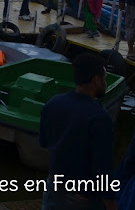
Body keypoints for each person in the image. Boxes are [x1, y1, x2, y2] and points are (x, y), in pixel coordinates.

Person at [39, 53, 116, 210]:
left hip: (53, 187)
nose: (105, 83)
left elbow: (44, 142)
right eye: (105, 78)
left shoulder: (54, 103)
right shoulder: (100, 118)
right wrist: (111, 204)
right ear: (96, 80)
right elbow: (102, 170)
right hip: (82, 198)